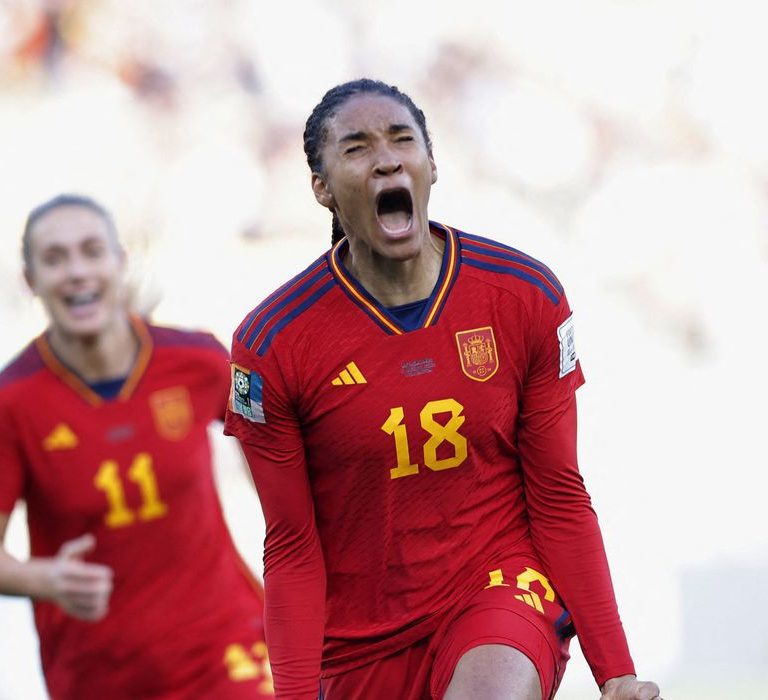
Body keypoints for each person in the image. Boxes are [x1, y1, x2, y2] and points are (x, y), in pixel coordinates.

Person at [224, 78, 662, 700]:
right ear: (321, 189)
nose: (386, 159)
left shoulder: (522, 295)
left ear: (431, 164)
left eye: (403, 140)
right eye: (356, 148)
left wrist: (616, 673)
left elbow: (560, 493)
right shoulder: (274, 343)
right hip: (362, 639)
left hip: (498, 588)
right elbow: (291, 546)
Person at [0, 194, 273, 699]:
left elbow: (279, 451)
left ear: (119, 263)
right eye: (55, 259)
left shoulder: (200, 360)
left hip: (226, 647)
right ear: (31, 281)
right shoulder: (13, 402)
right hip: (100, 673)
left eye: (91, 251)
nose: (77, 271)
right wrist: (46, 581)